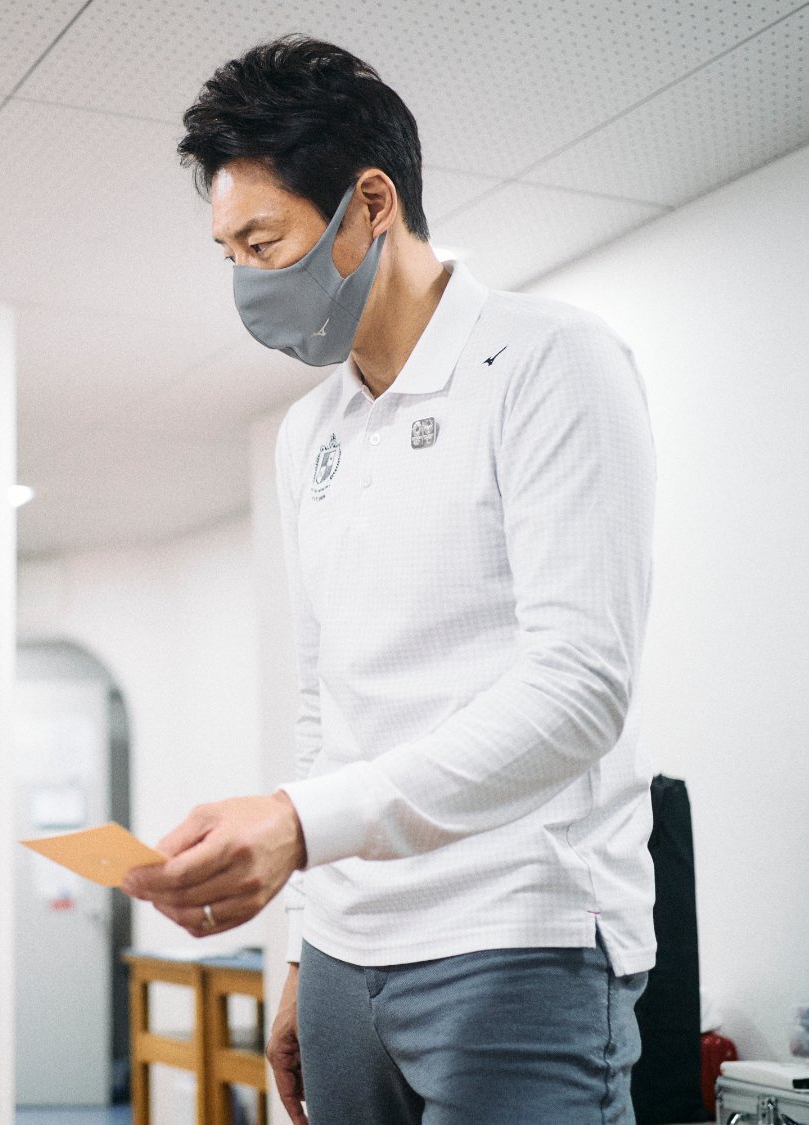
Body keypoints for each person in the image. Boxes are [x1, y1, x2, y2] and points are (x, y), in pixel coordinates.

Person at [121, 35, 656, 1125]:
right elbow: (328, 707)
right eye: (228, 253)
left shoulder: (549, 362)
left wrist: (298, 826)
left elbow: (581, 687)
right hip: (344, 953)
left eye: (263, 242)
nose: (247, 282)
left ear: (371, 204)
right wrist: (303, 945)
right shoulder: (307, 432)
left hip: (516, 937)